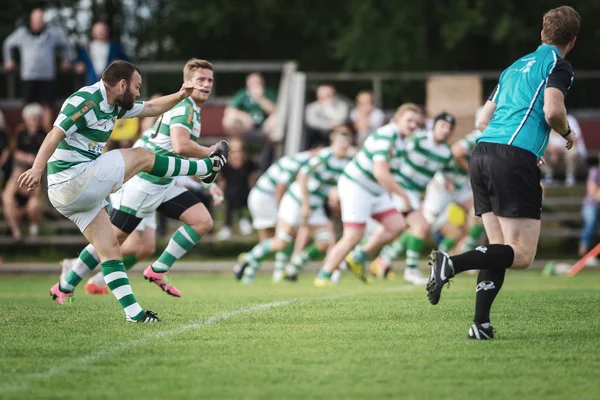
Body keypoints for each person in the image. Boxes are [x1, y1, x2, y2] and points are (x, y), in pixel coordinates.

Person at [18, 60, 228, 323]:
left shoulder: (115, 105)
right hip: (73, 178)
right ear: (122, 84)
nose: (139, 93)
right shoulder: (86, 99)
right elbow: (54, 134)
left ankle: (133, 314)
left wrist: (181, 93)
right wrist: (38, 169)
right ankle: (206, 167)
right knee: (142, 156)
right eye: (137, 87)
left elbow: (151, 107)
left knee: (111, 250)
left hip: (78, 190)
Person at [426, 6, 579, 340]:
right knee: (521, 255)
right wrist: (566, 134)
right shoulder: (558, 65)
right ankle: (450, 264)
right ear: (573, 41)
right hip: (511, 156)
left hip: (481, 152)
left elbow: (483, 120)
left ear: (542, 34)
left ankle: (480, 323)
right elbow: (553, 111)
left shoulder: (512, 68)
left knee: (498, 246)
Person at [313, 104, 422, 287]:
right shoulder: (386, 135)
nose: (412, 125)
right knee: (353, 235)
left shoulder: (404, 139)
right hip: (356, 187)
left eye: (416, 123)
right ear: (397, 119)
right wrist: (403, 195)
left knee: (396, 225)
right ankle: (323, 276)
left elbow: (389, 173)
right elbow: (381, 173)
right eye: (409, 120)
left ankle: (358, 257)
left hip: (376, 190)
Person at [233, 128, 353, 284]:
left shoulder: (345, 162)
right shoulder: (324, 156)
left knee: (324, 241)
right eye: (340, 141)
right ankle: (249, 259)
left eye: (346, 141)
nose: (344, 145)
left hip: (313, 203)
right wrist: (304, 205)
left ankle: (292, 267)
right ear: (333, 142)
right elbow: (302, 176)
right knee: (281, 241)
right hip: (296, 200)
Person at [369, 112, 456, 285]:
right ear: (435, 125)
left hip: (415, 193)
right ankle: (409, 270)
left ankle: (377, 260)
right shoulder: (418, 139)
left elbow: (445, 171)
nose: (445, 130)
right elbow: (396, 153)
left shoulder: (446, 153)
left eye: (449, 128)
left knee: (395, 230)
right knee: (420, 226)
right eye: (442, 125)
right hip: (401, 188)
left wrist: (448, 181)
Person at [3, 8, 74, 128]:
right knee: (28, 106)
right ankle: (28, 136)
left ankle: (46, 135)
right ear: (31, 20)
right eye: (36, 19)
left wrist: (66, 60)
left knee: (47, 106)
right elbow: (7, 44)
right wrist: (8, 60)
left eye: (41, 19)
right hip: (28, 76)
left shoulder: (52, 34)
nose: (39, 22)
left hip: (47, 76)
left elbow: (68, 43)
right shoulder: (22, 33)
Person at [2, 104, 46, 240]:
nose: (34, 120)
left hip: (37, 171)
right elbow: (14, 151)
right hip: (22, 170)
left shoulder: (45, 133)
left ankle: (33, 229)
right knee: (8, 199)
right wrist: (27, 158)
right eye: (31, 118)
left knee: (34, 204)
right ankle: (16, 233)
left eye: (36, 118)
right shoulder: (20, 132)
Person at [222, 73, 277, 169]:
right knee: (229, 120)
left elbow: (275, 111)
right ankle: (235, 158)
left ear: (262, 84)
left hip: (266, 130)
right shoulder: (242, 94)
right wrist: (244, 117)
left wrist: (260, 99)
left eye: (257, 83)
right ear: (247, 84)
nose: (255, 85)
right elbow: (229, 111)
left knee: (276, 120)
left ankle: (268, 163)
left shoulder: (268, 93)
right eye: (252, 83)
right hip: (245, 129)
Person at [216, 137, 258, 240]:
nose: (237, 154)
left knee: (237, 193)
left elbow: (251, 181)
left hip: (245, 194)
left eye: (239, 151)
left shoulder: (249, 164)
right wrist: (218, 195)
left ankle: (229, 226)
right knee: (232, 193)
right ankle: (241, 220)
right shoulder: (225, 166)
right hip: (229, 195)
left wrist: (254, 194)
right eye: (234, 152)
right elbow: (222, 182)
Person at [74, 22, 130, 86]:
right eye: (98, 30)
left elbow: (126, 61)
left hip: (111, 82)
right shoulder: (86, 48)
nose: (101, 32)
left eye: (103, 30)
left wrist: (119, 63)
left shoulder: (115, 47)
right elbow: (79, 62)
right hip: (91, 82)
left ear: (108, 32)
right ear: (93, 32)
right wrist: (79, 66)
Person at [541, 114, 586, 187]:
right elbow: (542, 142)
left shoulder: (570, 120)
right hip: (553, 158)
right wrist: (553, 151)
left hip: (571, 157)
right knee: (539, 151)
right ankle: (548, 176)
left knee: (573, 152)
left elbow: (575, 141)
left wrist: (558, 152)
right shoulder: (545, 120)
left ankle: (570, 178)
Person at [305, 85, 349, 149]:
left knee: (343, 129)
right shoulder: (312, 107)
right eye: (325, 96)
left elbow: (342, 119)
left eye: (329, 95)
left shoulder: (342, 105)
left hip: (336, 132)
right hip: (318, 136)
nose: (328, 98)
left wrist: (329, 108)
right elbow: (312, 122)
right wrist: (331, 124)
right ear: (318, 97)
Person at [578, 158, 600, 260]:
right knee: (591, 220)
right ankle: (583, 250)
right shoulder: (594, 172)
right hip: (591, 205)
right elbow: (595, 195)